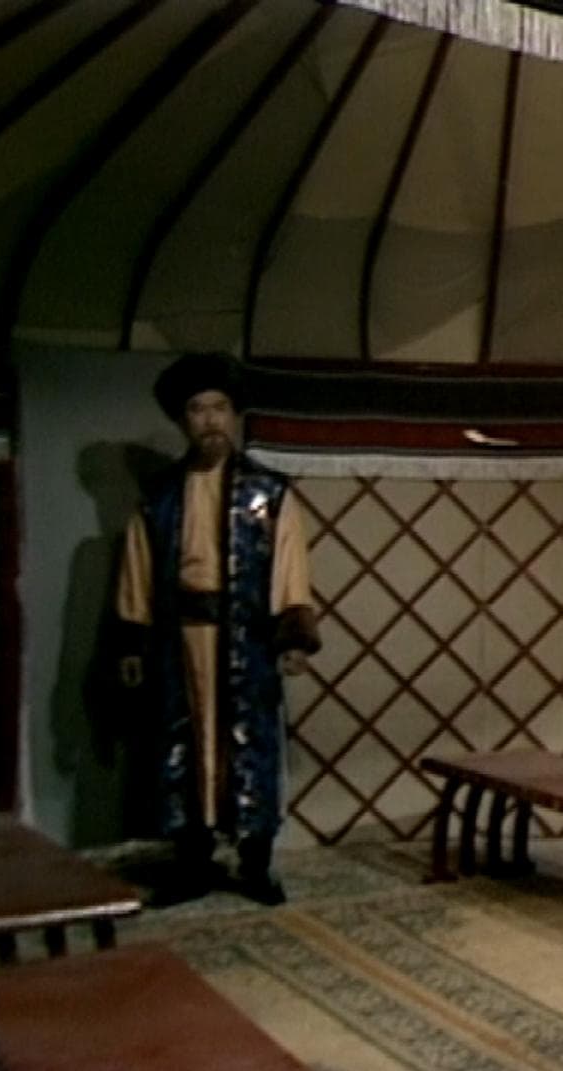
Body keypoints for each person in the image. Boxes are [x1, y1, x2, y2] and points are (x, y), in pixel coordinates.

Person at [115, 353, 319, 907]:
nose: (210, 420)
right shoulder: (159, 495)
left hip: (246, 642)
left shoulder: (269, 493)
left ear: (234, 415)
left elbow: (289, 565)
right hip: (178, 644)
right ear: (183, 420)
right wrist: (131, 641)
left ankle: (255, 864)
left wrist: (292, 637)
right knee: (182, 746)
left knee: (249, 743)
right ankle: (192, 863)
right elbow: (137, 569)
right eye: (197, 409)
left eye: (219, 408)